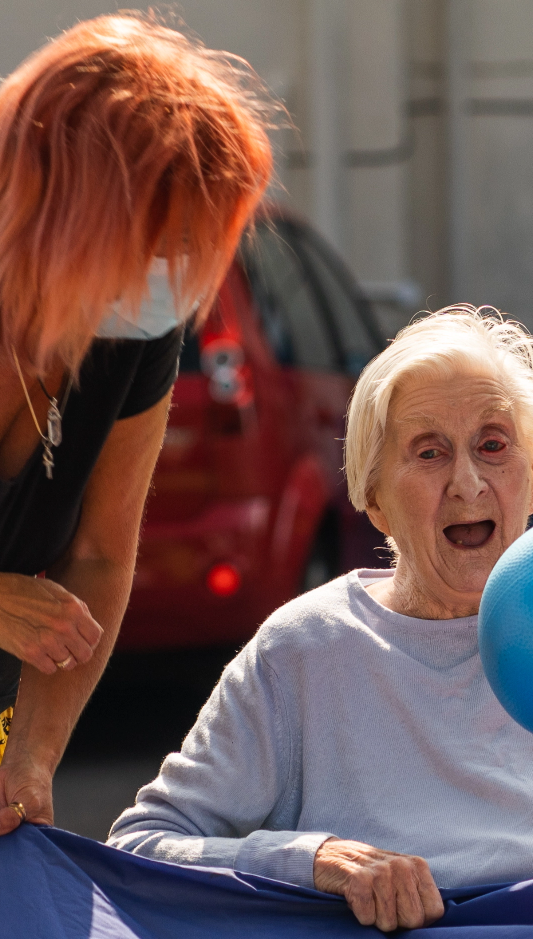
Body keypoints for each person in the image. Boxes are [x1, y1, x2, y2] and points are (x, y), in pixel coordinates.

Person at [108, 307, 533, 934]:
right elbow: (142, 846)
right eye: (429, 453)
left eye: (493, 445)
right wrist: (315, 860)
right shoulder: (307, 651)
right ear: (374, 499)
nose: (467, 483)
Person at [0, 12, 272, 837]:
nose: (179, 281)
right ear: (66, 212)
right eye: (166, 244)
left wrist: (31, 761)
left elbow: (101, 550)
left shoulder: (135, 330)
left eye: (200, 250)